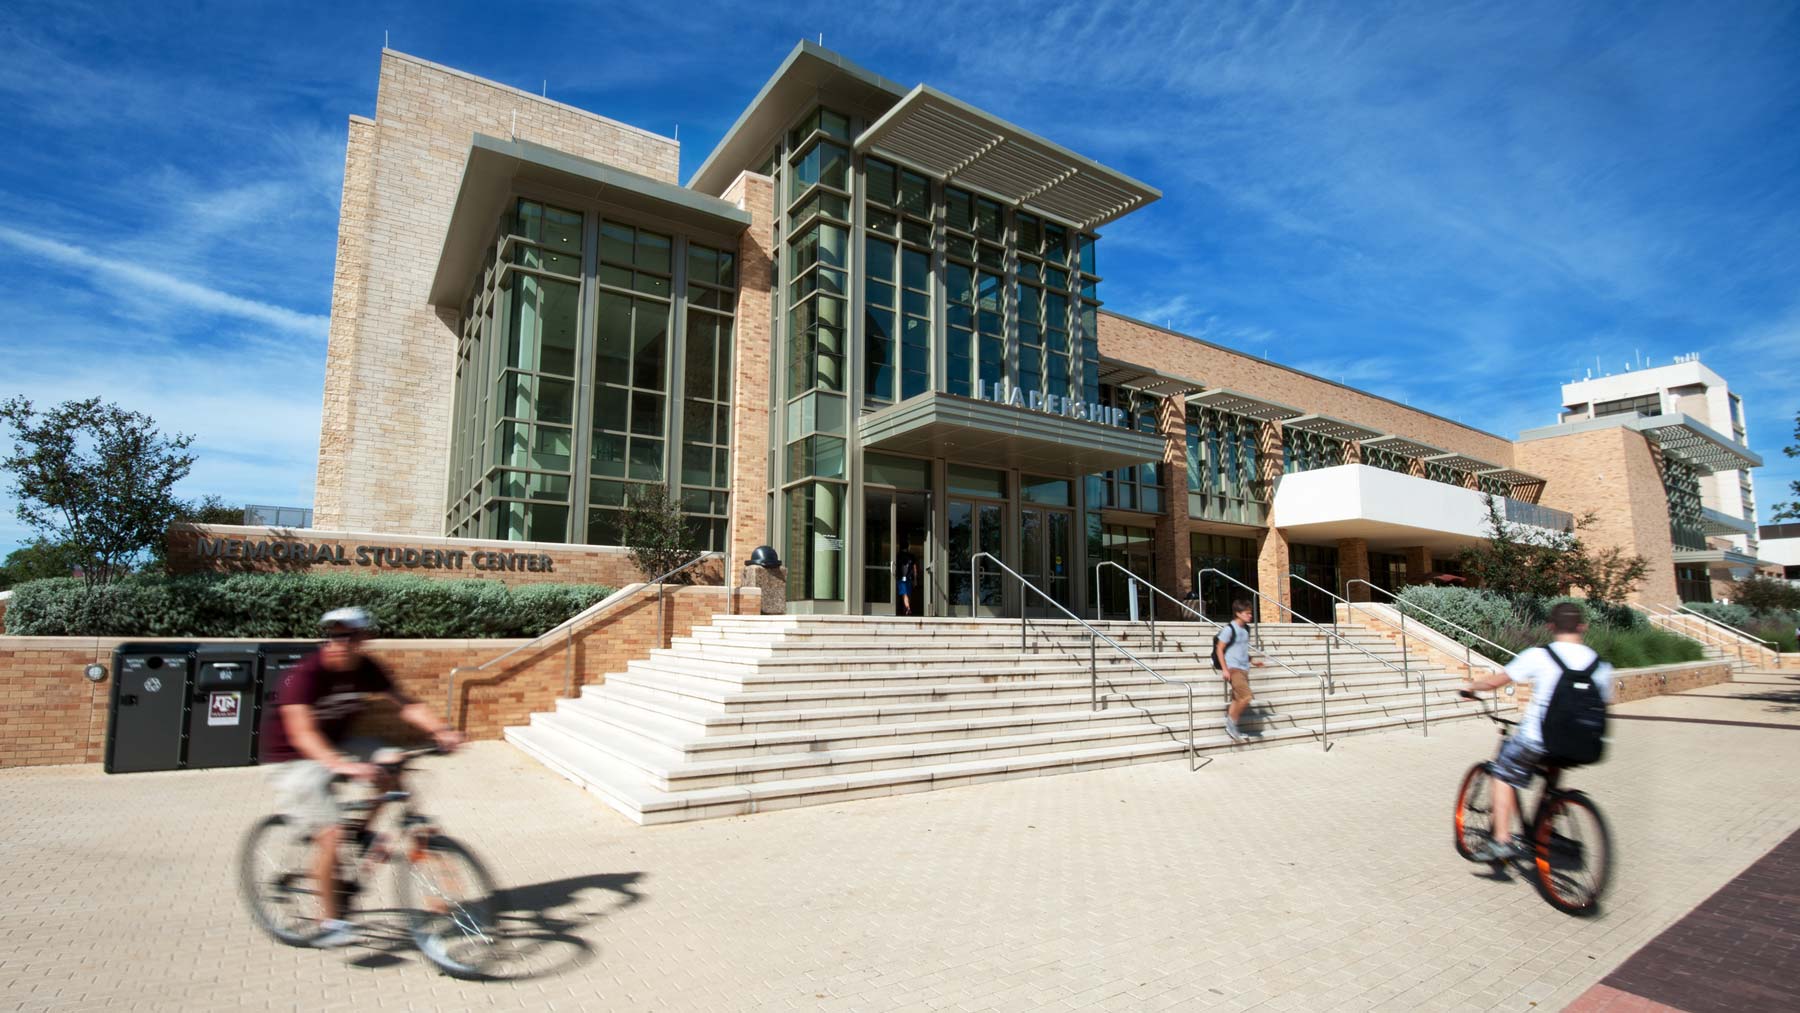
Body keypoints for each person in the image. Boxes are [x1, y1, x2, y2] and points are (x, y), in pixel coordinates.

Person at [260, 607, 462, 948]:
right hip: (293, 756)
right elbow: (302, 733)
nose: (340, 642)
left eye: (349, 636)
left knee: (393, 763)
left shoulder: (368, 668)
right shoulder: (303, 675)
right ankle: (331, 921)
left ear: (363, 639)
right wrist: (343, 766)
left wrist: (441, 729)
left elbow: (406, 704)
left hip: (341, 745)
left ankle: (364, 830)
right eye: (335, 635)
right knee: (331, 834)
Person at [1461, 602, 1614, 862]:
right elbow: (1605, 702)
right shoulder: (1600, 665)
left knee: (1503, 773)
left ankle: (1501, 841)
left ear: (1550, 627)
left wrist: (1472, 687)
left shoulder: (1539, 655)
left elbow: (1497, 680)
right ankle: (1548, 821)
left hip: (1537, 737)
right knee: (1554, 766)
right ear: (1583, 627)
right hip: (1585, 743)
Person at [1213, 599, 1264, 741]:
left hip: (1244, 668)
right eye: (1247, 613)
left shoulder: (1246, 629)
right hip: (1233, 668)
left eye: (1250, 613)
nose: (1250, 616)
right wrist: (1225, 669)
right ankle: (1231, 723)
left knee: (1237, 698)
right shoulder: (1229, 629)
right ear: (1238, 613)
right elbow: (1220, 649)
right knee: (1246, 696)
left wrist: (1253, 661)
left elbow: (1241, 649)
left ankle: (1232, 725)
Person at [896, 550, 919, 617]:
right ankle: (906, 609)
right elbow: (915, 569)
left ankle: (907, 608)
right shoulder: (911, 556)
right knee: (908, 594)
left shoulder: (898, 555)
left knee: (904, 594)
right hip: (909, 578)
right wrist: (915, 579)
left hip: (901, 578)